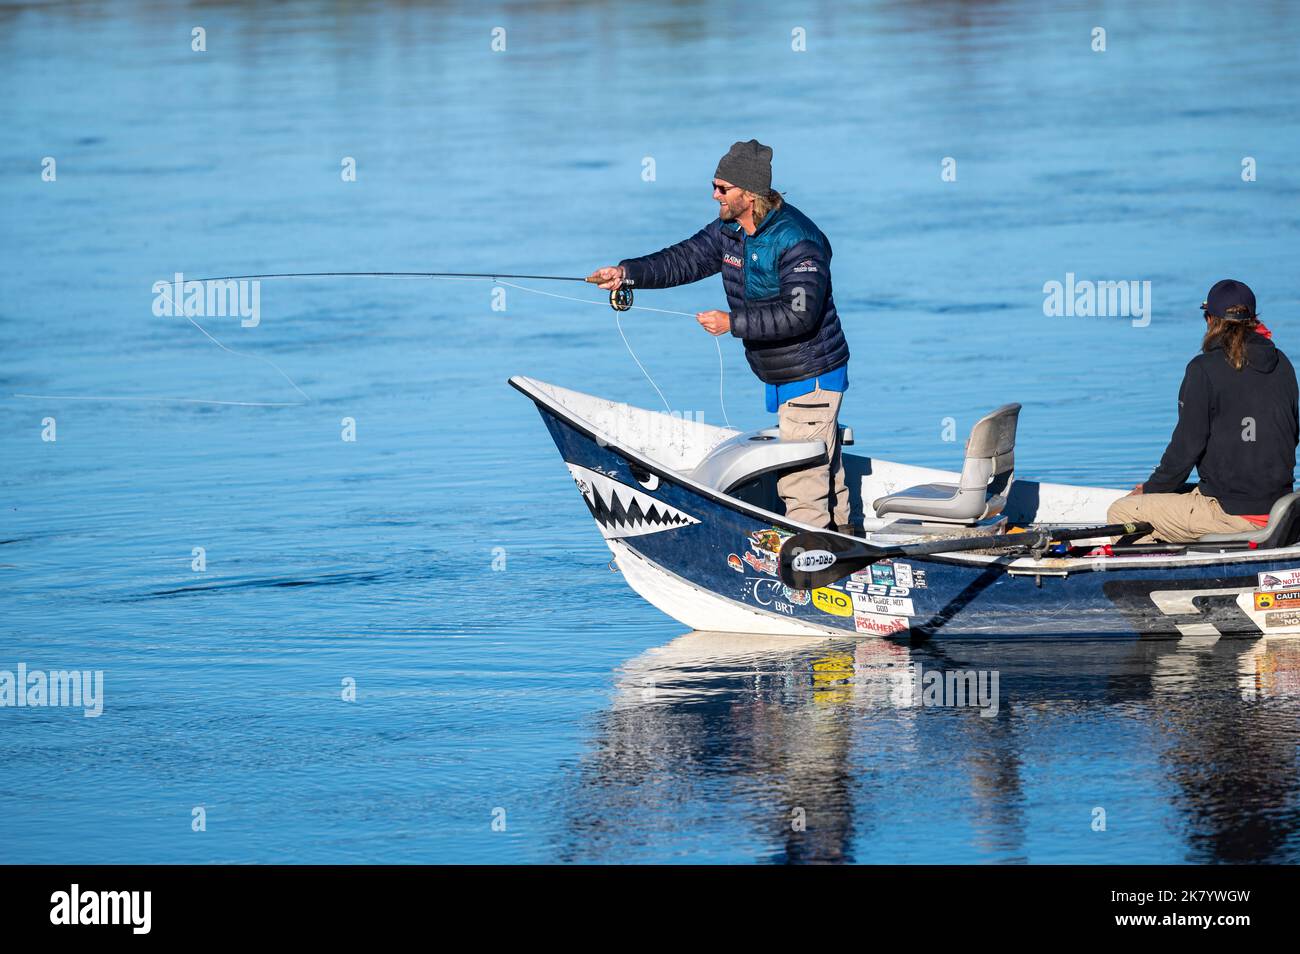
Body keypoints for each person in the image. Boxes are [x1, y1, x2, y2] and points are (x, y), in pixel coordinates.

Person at [589, 139, 852, 531]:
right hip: (784, 373)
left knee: (802, 484)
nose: (715, 195)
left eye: (723, 188)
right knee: (823, 469)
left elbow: (800, 315)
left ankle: (812, 564)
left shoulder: (797, 240)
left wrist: (733, 323)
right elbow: (684, 259)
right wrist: (627, 274)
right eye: (714, 185)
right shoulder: (730, 230)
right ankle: (845, 542)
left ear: (750, 192)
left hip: (811, 373)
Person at [1107, 279, 1298, 543]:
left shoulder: (1203, 369)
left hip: (1230, 513)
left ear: (1210, 320)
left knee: (1121, 512)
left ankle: (1163, 578)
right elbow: (1290, 435)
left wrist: (1150, 490)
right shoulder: (1284, 365)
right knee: (1175, 494)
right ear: (1253, 319)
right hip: (1281, 508)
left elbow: (1185, 451)